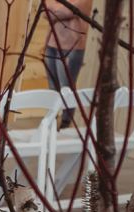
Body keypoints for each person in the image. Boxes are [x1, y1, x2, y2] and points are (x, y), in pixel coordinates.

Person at [44, 0, 93, 128]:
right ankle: (52, 119)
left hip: (71, 47)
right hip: (51, 44)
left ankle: (66, 123)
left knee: (66, 87)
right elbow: (45, 10)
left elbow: (66, 11)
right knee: (52, 87)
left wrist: (54, 8)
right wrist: (56, 9)